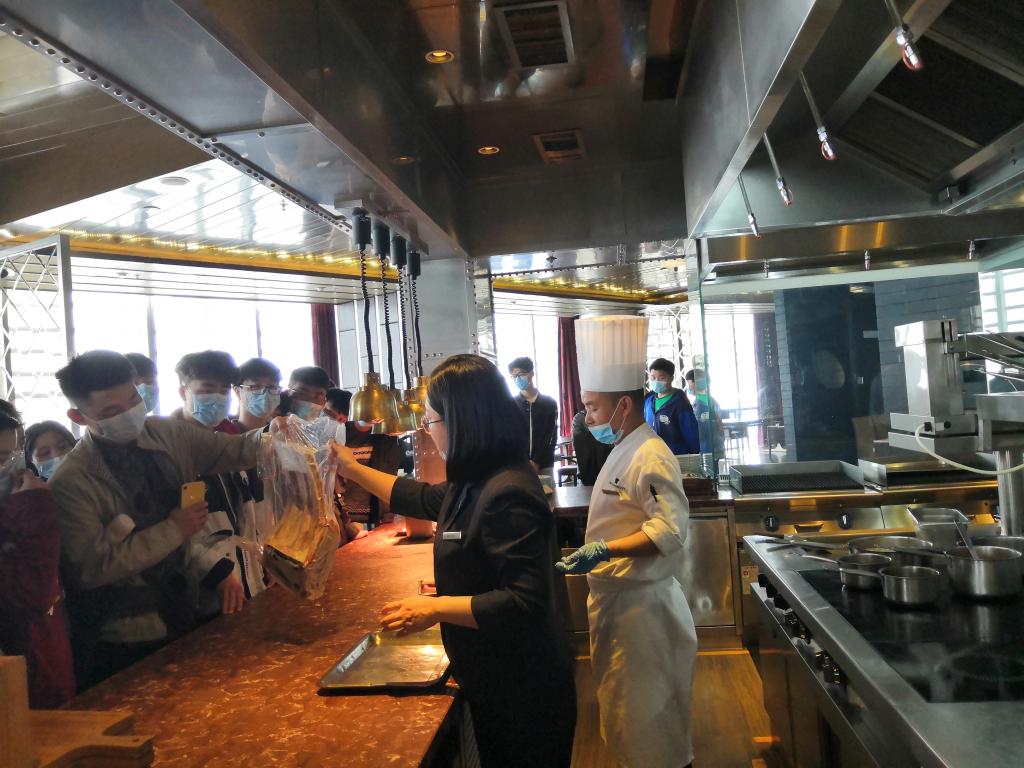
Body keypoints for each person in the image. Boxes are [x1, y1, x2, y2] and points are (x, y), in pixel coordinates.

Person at [331, 354, 576, 767]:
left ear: (460, 421)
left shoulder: (507, 490)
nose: (427, 431)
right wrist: (351, 469)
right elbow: (424, 498)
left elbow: (524, 602)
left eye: (430, 421)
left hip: (524, 691)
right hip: (499, 680)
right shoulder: (478, 478)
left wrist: (436, 607)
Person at [49, 350, 263, 688]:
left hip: (184, 610)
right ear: (78, 416)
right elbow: (89, 570)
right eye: (111, 412)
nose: (129, 414)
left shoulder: (167, 434)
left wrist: (280, 436)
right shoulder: (72, 482)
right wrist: (174, 529)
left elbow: (234, 450)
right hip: (123, 637)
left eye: (133, 400)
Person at [557, 316, 696, 768]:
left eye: (592, 407)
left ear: (622, 405)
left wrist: (604, 550)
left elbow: (668, 530)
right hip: (619, 607)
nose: (587, 418)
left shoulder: (650, 453)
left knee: (650, 731)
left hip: (644, 615)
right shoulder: (623, 446)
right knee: (625, 723)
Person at [173, 351, 265, 615]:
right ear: (183, 392)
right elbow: (178, 532)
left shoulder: (231, 444)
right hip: (206, 595)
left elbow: (249, 516)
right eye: (207, 389)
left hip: (249, 582)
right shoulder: (172, 451)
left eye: (223, 390)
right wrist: (218, 572)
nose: (217, 397)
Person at [0, 399, 75, 708]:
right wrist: (35, 508)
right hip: (15, 695)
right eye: (1, 459)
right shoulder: (28, 505)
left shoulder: (13, 504)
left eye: (12, 456)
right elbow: (33, 594)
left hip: (42, 671)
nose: (10, 469)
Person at [339, 389, 401, 527]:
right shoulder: (341, 431)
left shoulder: (386, 436)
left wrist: (388, 511)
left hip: (375, 513)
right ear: (358, 407)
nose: (373, 415)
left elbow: (388, 472)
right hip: (344, 515)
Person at [508, 357, 559, 474]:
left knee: (546, 486)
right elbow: (510, 436)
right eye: (514, 376)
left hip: (544, 464)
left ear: (531, 374)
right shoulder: (511, 404)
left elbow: (551, 436)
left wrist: (537, 461)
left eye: (521, 374)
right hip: (519, 464)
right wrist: (523, 461)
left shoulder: (549, 403)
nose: (517, 379)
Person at [644, 358, 700, 456]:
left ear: (671, 378)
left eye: (661, 378)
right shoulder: (649, 401)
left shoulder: (680, 403)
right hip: (653, 456)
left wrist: (692, 455)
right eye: (653, 378)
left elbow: (691, 435)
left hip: (675, 457)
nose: (656, 381)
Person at [233, 357, 282, 432]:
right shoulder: (225, 435)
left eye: (272, 387)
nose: (265, 395)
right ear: (237, 391)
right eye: (256, 386)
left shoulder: (282, 434)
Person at [685, 368, 725, 455]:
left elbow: (701, 430)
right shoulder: (712, 401)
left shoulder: (700, 405)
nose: (688, 387)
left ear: (696, 384)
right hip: (716, 446)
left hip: (707, 448)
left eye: (689, 383)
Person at [571, 408, 613, 486]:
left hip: (606, 467)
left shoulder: (605, 415)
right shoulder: (580, 418)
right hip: (588, 467)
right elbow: (576, 441)